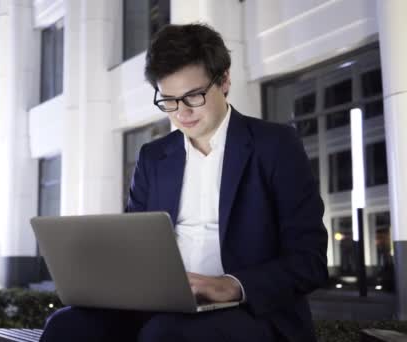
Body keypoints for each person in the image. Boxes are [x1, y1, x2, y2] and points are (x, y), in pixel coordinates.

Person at [39, 23, 328, 342]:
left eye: (194, 96)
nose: (182, 113)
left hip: (250, 311)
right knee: (66, 326)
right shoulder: (154, 158)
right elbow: (135, 247)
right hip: (162, 307)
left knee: (166, 335)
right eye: (169, 101)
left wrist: (230, 285)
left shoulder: (275, 146)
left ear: (225, 81)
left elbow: (309, 260)